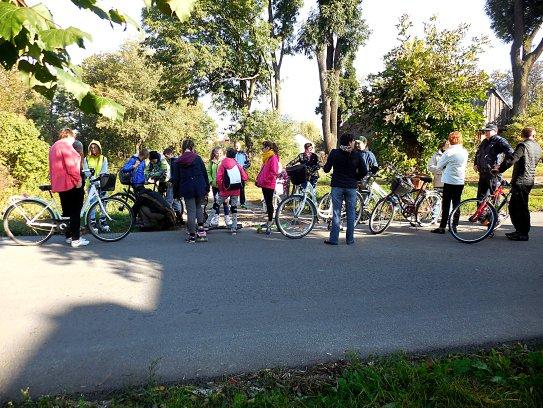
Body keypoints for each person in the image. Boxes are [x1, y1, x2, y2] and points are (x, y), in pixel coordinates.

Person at [495, 127, 542, 241]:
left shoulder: (523, 146)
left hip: (521, 180)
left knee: (520, 207)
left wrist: (499, 169)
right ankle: (519, 231)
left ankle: (523, 233)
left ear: (522, 135)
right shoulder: (538, 147)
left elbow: (511, 159)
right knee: (515, 206)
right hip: (529, 180)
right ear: (533, 135)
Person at [322, 133, 367, 245]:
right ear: (349, 142)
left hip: (337, 185)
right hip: (351, 187)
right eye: (352, 141)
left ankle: (334, 239)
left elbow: (327, 169)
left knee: (336, 213)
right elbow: (364, 171)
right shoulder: (356, 155)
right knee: (351, 213)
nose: (353, 143)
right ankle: (350, 239)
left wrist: (324, 164)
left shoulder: (334, 153)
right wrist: (356, 178)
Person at [48, 128, 88, 247]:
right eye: (74, 138)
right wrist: (78, 180)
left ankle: (68, 237)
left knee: (66, 210)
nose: (74, 141)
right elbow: (71, 166)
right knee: (75, 211)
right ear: (70, 136)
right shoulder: (66, 145)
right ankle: (76, 239)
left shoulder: (54, 146)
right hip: (70, 183)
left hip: (59, 183)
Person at [171, 139, 210, 243]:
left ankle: (192, 236)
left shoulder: (178, 161)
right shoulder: (198, 158)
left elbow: (176, 179)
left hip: (187, 187)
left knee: (191, 211)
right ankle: (201, 233)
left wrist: (176, 193)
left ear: (183, 148)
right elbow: (204, 174)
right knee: (199, 208)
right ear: (192, 147)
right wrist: (207, 188)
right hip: (200, 186)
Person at [431, 132, 468, 234]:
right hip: (460, 180)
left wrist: (445, 166)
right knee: (457, 202)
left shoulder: (448, 152)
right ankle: (454, 225)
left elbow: (438, 166)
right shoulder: (464, 152)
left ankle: (442, 226)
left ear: (450, 140)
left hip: (449, 180)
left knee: (446, 204)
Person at [474, 123, 513, 199]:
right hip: (482, 173)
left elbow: (511, 153)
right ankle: (480, 211)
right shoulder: (484, 141)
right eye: (485, 131)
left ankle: (494, 211)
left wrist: (501, 166)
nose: (486, 132)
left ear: (495, 131)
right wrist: (475, 163)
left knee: (493, 196)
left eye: (488, 131)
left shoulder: (500, 140)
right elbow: (478, 153)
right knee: (480, 197)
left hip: (493, 174)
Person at [216, 147, 249, 235]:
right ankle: (234, 227)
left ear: (226, 154)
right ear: (235, 155)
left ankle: (207, 224)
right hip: (235, 189)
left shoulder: (223, 164)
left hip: (225, 190)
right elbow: (245, 177)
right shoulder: (237, 164)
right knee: (234, 207)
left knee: (216, 205)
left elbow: (218, 179)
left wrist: (221, 188)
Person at [84, 140, 110, 231]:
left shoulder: (103, 158)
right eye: (91, 147)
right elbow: (86, 171)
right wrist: (93, 179)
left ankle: (103, 221)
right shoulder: (86, 158)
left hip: (102, 184)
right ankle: (93, 222)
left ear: (99, 148)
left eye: (95, 147)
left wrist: (99, 180)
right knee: (92, 204)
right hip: (91, 185)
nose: (93, 149)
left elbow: (104, 170)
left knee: (103, 203)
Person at [256, 141, 280, 235]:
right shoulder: (266, 157)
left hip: (269, 184)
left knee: (269, 204)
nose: (262, 149)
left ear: (268, 148)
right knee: (267, 203)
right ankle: (269, 220)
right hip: (264, 184)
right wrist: (259, 179)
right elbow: (263, 170)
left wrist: (265, 180)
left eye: (263, 147)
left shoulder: (272, 157)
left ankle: (270, 221)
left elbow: (274, 172)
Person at [206, 147, 231, 228]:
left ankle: (227, 218)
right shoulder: (211, 162)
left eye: (220, 153)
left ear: (223, 153)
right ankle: (216, 218)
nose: (219, 155)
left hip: (223, 186)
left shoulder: (225, 161)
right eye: (217, 153)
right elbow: (208, 172)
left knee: (225, 202)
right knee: (216, 201)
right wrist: (211, 180)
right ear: (214, 153)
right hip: (215, 186)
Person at [163, 147, 184, 225]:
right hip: (176, 183)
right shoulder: (176, 160)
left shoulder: (174, 161)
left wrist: (170, 181)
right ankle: (179, 218)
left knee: (169, 201)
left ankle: (169, 218)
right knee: (175, 200)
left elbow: (175, 174)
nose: (166, 158)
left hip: (174, 184)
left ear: (170, 154)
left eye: (166, 156)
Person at [234, 141, 251, 208]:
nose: (237, 147)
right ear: (234, 146)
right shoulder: (232, 153)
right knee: (233, 188)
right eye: (236, 146)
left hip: (241, 173)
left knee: (242, 188)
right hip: (233, 174)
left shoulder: (244, 154)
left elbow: (249, 163)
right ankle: (232, 202)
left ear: (240, 146)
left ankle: (242, 203)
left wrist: (243, 168)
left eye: (238, 146)